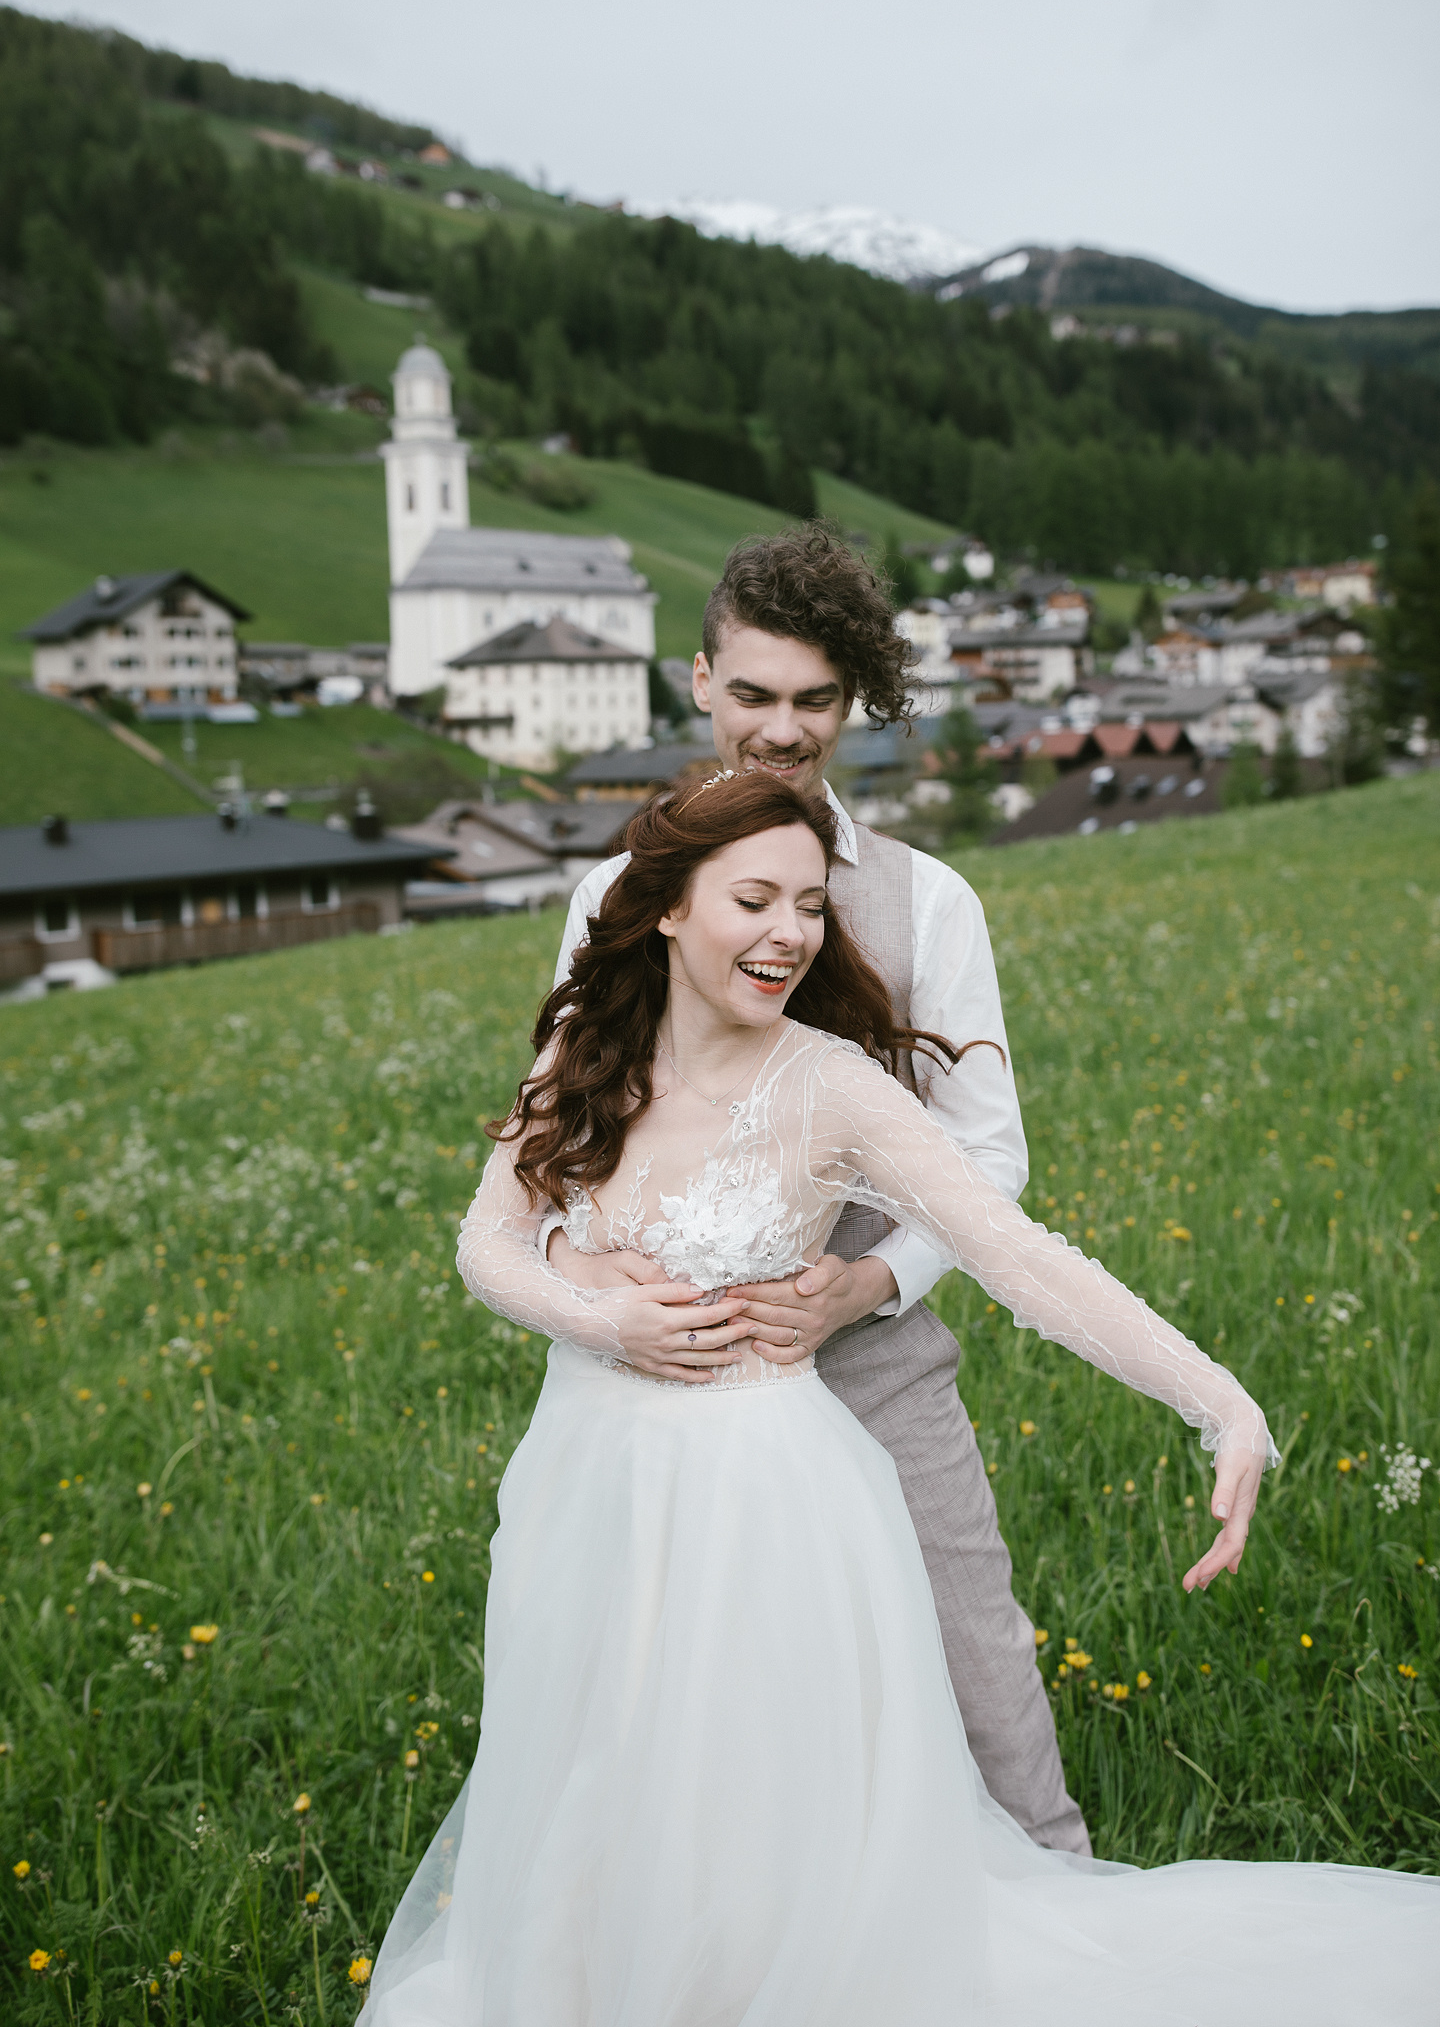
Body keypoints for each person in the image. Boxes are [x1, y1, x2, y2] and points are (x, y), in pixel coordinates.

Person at [367, 773, 1433, 2026]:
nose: (788, 934)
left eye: (811, 907)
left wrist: (1222, 1402)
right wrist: (595, 1310)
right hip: (584, 1485)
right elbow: (488, 1241)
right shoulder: (585, 1053)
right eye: (753, 900)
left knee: (754, 1806)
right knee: (601, 1777)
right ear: (664, 909)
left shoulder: (832, 1087)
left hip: (764, 1501)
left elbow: (1020, 1253)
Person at [547, 523, 1090, 1852]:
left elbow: (990, 1154)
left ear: (853, 704)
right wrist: (595, 1282)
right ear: (698, 682)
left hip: (880, 1368)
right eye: (752, 694)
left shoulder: (928, 900)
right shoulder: (614, 895)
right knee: (691, 1709)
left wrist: (872, 1281)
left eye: (814, 701)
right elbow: (565, 1140)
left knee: (975, 1663)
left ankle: (1049, 1883)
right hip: (671, 1386)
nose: (781, 730)